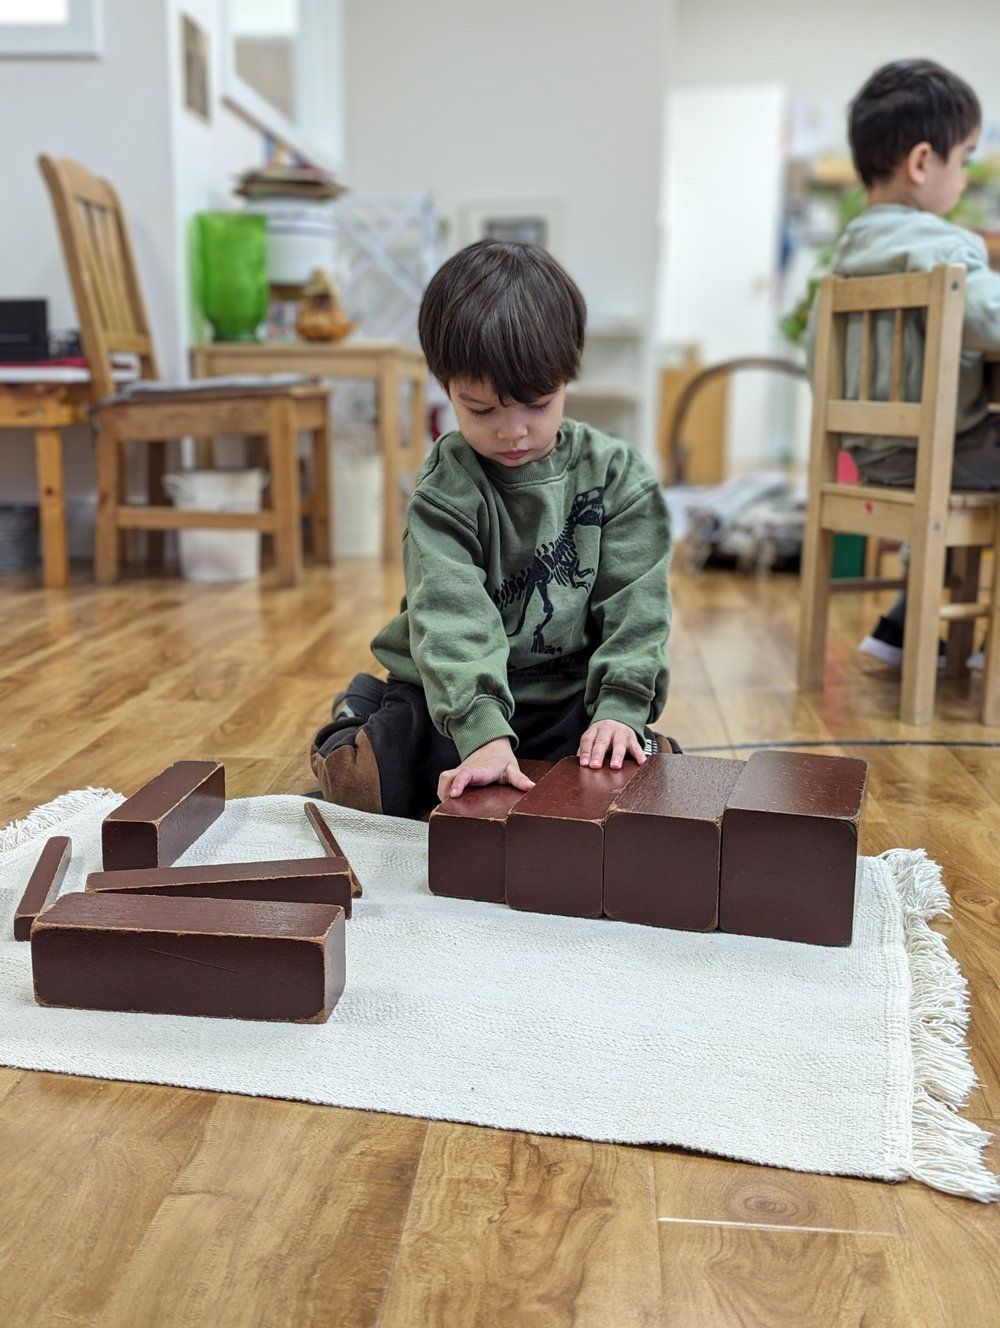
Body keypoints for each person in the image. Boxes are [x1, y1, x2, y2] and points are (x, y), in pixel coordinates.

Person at [310, 239, 673, 818]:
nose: (513, 432)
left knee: (644, 778)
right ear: (445, 387)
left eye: (538, 403)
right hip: (451, 689)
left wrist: (619, 708)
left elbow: (638, 605)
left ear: (568, 375)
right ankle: (363, 705)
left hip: (563, 696)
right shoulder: (446, 487)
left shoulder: (618, 476)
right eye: (481, 410)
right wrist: (480, 732)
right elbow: (452, 614)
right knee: (367, 784)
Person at [809, 58, 1000, 669]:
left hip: (872, 462)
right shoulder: (945, 250)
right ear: (923, 162)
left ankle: (902, 623)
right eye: (964, 159)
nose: (965, 178)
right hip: (946, 460)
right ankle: (963, 639)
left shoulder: (841, 268)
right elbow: (990, 319)